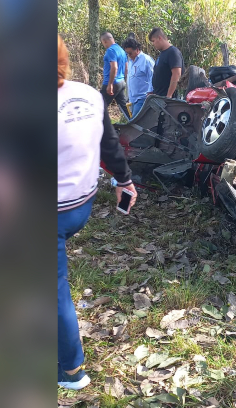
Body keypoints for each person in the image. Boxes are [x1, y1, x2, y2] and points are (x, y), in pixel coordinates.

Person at [58, 35, 137, 389]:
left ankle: (71, 370)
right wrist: (125, 180)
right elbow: (109, 143)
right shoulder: (90, 95)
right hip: (82, 205)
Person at [100, 32, 131, 122]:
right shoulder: (121, 50)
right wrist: (123, 80)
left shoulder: (110, 50)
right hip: (121, 82)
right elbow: (126, 68)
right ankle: (135, 125)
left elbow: (114, 67)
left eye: (102, 42)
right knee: (124, 108)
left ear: (105, 41)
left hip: (112, 83)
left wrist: (110, 84)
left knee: (100, 107)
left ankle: (100, 130)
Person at [122, 37, 154, 119]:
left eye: (130, 53)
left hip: (142, 98)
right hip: (133, 99)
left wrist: (150, 92)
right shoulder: (130, 62)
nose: (129, 55)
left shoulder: (146, 60)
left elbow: (153, 77)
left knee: (135, 125)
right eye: (127, 53)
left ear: (137, 49)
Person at [148, 28, 183, 98]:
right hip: (159, 97)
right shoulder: (162, 54)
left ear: (159, 38)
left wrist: (169, 96)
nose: (153, 44)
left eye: (153, 41)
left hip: (169, 100)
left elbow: (177, 74)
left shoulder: (173, 52)